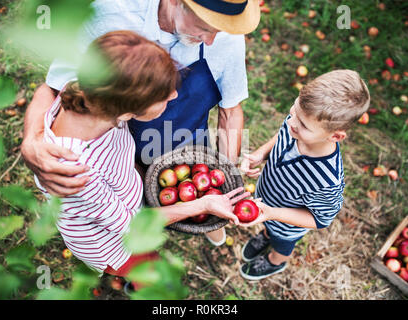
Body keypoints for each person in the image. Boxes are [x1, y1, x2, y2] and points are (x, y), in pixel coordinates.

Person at [20, 0, 260, 246]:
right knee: (132, 215)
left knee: (200, 212)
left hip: (191, 143)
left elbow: (230, 110)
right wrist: (31, 139)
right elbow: (56, 88)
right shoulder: (109, 15)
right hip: (122, 151)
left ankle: (211, 230)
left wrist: (224, 177)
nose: (210, 40)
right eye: (204, 27)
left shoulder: (225, 32)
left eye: (217, 30)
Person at [238, 70, 371, 280]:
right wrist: (259, 154)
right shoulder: (297, 123)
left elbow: (321, 219)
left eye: (303, 125)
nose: (291, 123)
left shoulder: (326, 180)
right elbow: (279, 137)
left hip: (285, 224)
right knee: (269, 229)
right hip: (266, 203)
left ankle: (275, 262)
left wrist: (272, 214)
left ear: (335, 136)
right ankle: (265, 235)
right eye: (294, 111)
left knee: (281, 243)